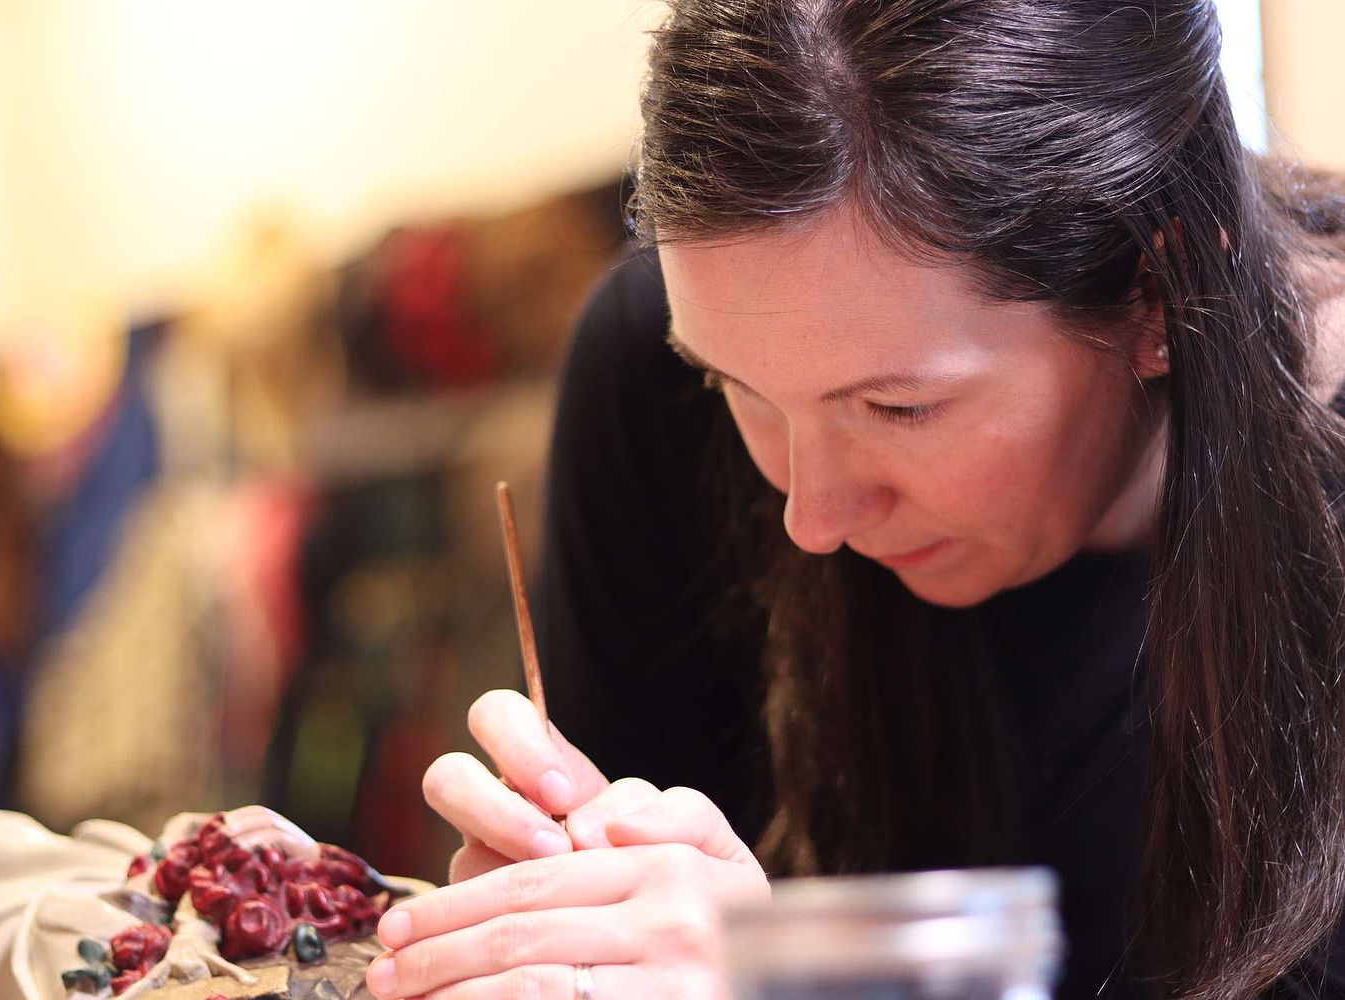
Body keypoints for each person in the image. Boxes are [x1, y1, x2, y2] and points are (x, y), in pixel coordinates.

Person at [363, 1, 1345, 997]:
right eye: (732, 386)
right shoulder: (649, 375)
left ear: (1159, 294)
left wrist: (792, 968)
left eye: (898, 407)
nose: (810, 519)